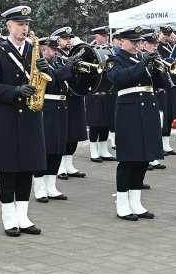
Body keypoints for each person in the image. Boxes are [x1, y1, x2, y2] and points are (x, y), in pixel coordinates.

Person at [0, 6, 50, 236]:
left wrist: (44, 69)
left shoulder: (33, 50)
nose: (25, 28)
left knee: (27, 168)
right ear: (9, 26)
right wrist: (15, 91)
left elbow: (47, 79)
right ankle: (9, 218)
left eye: (27, 24)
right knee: (9, 170)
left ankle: (23, 216)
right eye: (20, 24)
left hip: (31, 117)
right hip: (8, 118)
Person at [104, 26, 163, 221]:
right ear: (122, 41)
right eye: (133, 41)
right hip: (128, 112)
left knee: (144, 158)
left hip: (147, 111)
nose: (137, 45)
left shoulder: (141, 59)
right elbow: (118, 78)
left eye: (139, 42)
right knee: (129, 159)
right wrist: (143, 64)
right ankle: (122, 204)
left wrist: (157, 70)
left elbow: (160, 84)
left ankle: (136, 202)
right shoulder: (114, 60)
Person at [32, 31, 75, 202]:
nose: (56, 52)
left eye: (56, 49)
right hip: (47, 106)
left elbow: (69, 82)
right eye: (52, 49)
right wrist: (69, 68)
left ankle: (51, 185)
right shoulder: (40, 64)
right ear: (43, 50)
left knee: (58, 148)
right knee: (45, 148)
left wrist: (75, 70)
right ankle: (39, 186)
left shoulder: (56, 65)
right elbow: (52, 80)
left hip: (61, 107)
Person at [55, 28, 87, 180]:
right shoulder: (55, 56)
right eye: (64, 38)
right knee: (63, 133)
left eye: (70, 38)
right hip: (63, 97)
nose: (68, 41)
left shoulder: (75, 53)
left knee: (73, 133)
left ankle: (69, 164)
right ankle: (60, 166)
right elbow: (58, 75)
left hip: (75, 97)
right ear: (57, 40)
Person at [84, 26, 117, 162]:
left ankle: (103, 149)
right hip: (94, 90)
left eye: (106, 36)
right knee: (95, 122)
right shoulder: (88, 50)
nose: (106, 38)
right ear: (97, 37)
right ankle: (93, 150)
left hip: (108, 90)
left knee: (106, 121)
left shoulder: (111, 49)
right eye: (103, 36)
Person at [140, 33, 169, 171]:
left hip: (156, 95)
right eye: (152, 44)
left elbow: (162, 81)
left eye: (156, 44)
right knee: (146, 130)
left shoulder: (158, 57)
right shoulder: (140, 57)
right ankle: (147, 158)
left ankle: (152, 157)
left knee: (156, 127)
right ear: (144, 45)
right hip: (143, 98)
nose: (155, 46)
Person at [156, 26, 176, 156]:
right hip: (163, 81)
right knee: (164, 114)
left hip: (173, 80)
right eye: (164, 34)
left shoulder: (171, 45)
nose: (166, 36)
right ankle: (160, 143)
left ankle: (166, 143)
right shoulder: (157, 46)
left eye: (168, 34)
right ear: (159, 33)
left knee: (171, 113)